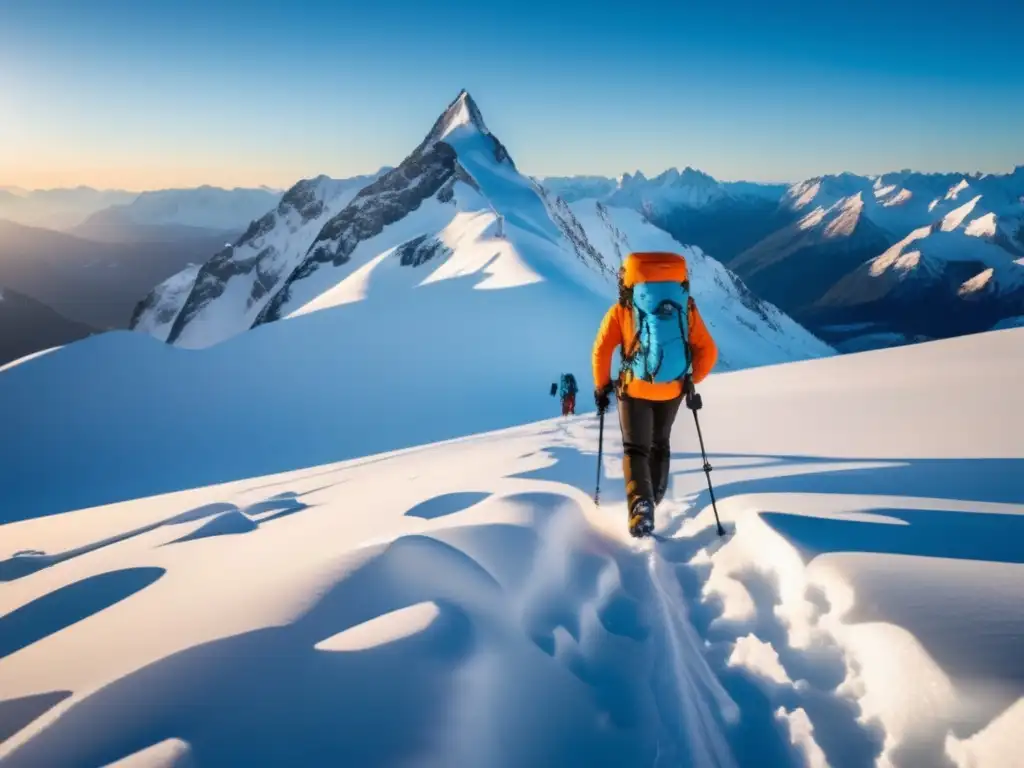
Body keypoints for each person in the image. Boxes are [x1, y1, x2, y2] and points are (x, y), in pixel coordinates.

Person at [591, 252, 718, 537]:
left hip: (634, 389)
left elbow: (601, 350)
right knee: (660, 443)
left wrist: (601, 386)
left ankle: (641, 504)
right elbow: (708, 352)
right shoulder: (684, 308)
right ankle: (654, 500)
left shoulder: (623, 309)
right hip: (672, 389)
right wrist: (688, 379)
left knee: (635, 449)